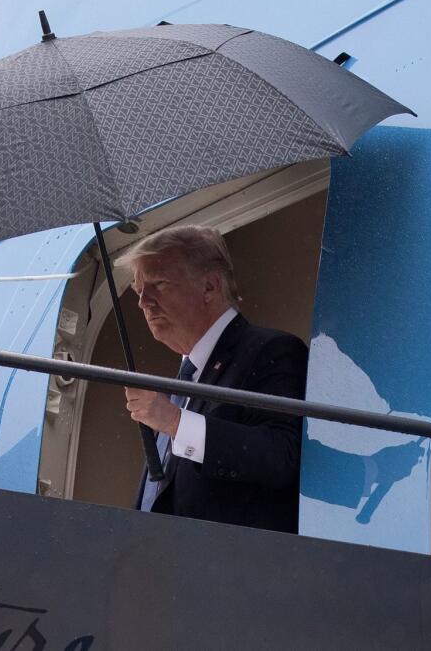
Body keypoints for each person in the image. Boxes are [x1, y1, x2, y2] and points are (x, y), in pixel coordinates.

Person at [117, 225, 308, 534]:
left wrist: (176, 422)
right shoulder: (182, 381)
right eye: (139, 291)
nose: (143, 302)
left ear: (209, 287)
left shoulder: (272, 351)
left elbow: (281, 456)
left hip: (236, 569)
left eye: (159, 284)